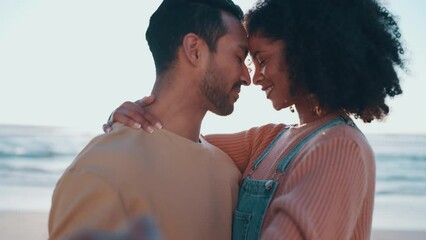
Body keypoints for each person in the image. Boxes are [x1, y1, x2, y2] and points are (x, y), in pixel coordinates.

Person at [105, 0, 405, 239]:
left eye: (262, 60)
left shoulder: (340, 147)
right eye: (249, 61)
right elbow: (176, 141)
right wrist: (135, 118)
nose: (255, 77)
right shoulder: (268, 140)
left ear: (305, 54)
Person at [48, 0, 251, 239]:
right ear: (194, 50)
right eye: (239, 57)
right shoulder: (99, 171)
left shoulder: (228, 172)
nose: (247, 77)